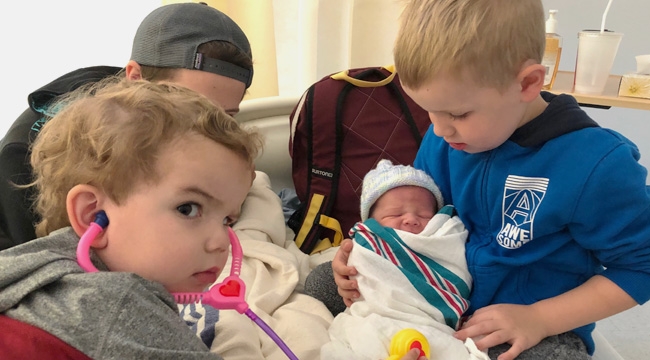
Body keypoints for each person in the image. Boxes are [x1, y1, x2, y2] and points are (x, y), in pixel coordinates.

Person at [331, 1, 650, 360]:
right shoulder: (446, 138)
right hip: (433, 297)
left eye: (458, 113)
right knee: (321, 283)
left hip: (528, 326)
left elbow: (641, 266)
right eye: (428, 111)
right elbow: (419, 220)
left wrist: (539, 319)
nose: (438, 128)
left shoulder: (597, 165)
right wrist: (366, 256)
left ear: (528, 83)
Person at [0, 78, 263, 358]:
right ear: (92, 216)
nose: (220, 243)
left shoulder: (29, 272)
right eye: (188, 209)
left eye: (227, 221)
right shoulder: (119, 303)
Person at [0, 2, 254, 249]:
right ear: (135, 78)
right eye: (190, 108)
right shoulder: (26, 158)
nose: (209, 135)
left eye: (226, 118)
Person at [319, 159, 489, 360]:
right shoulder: (370, 240)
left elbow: (451, 258)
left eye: (424, 214)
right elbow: (362, 253)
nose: (411, 219)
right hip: (376, 314)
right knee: (323, 291)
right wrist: (352, 255)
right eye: (395, 214)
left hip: (429, 322)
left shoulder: (446, 233)